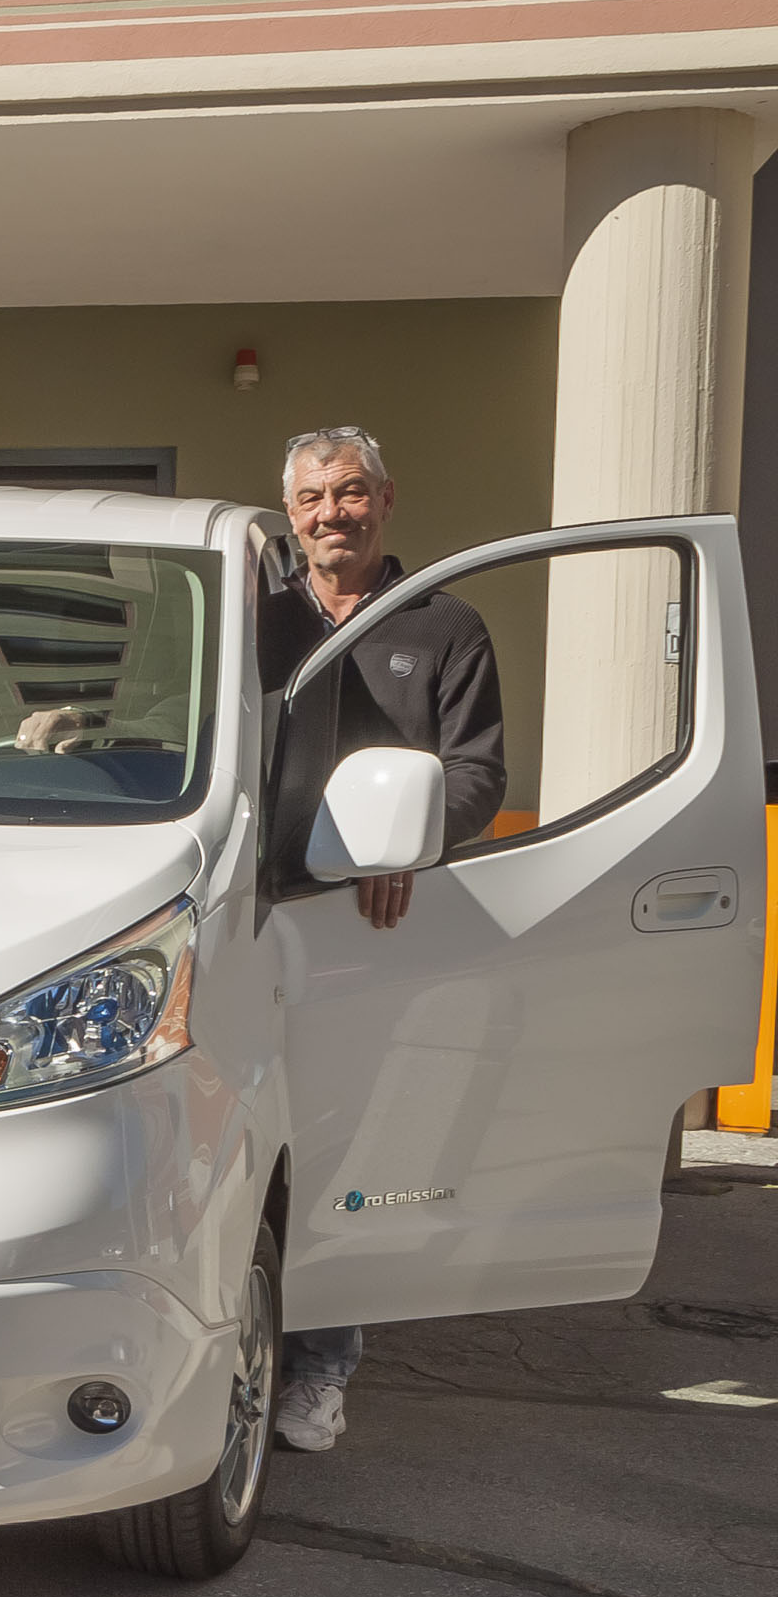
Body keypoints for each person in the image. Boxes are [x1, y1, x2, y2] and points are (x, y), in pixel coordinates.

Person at [256, 425, 506, 1452]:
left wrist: (403, 832)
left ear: (386, 499)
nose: (330, 514)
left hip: (369, 928)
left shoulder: (445, 626)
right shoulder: (256, 622)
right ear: (290, 513)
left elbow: (479, 776)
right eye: (312, 498)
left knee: (344, 1143)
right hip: (250, 912)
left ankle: (320, 1369)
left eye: (349, 493)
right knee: (242, 1146)